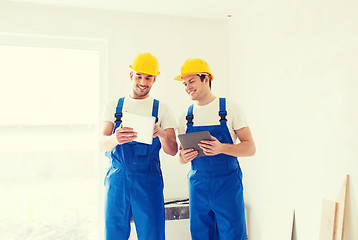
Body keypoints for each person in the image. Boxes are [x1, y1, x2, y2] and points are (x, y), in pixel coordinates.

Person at [99, 52, 178, 240]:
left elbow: (173, 150)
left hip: (148, 180)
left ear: (154, 79)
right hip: (118, 179)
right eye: (139, 76)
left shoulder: (162, 109)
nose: (143, 82)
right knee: (114, 234)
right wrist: (115, 139)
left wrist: (162, 134)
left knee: (152, 234)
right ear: (131, 75)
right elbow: (102, 143)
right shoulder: (114, 106)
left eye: (148, 77)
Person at [175, 58, 256, 240]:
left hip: (227, 185)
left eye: (192, 81)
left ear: (206, 79)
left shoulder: (229, 109)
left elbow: (250, 148)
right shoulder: (185, 117)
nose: (187, 87)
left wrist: (221, 148)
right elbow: (179, 157)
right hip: (198, 186)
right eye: (184, 83)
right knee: (201, 235)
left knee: (232, 235)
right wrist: (184, 156)